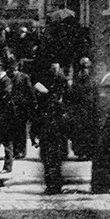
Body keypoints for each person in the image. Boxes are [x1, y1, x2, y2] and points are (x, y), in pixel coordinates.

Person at [36, 64, 72, 194]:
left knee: (51, 162)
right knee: (53, 163)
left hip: (52, 137)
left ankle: (53, 185)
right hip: (53, 137)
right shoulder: (55, 107)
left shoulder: (53, 106)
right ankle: (54, 185)